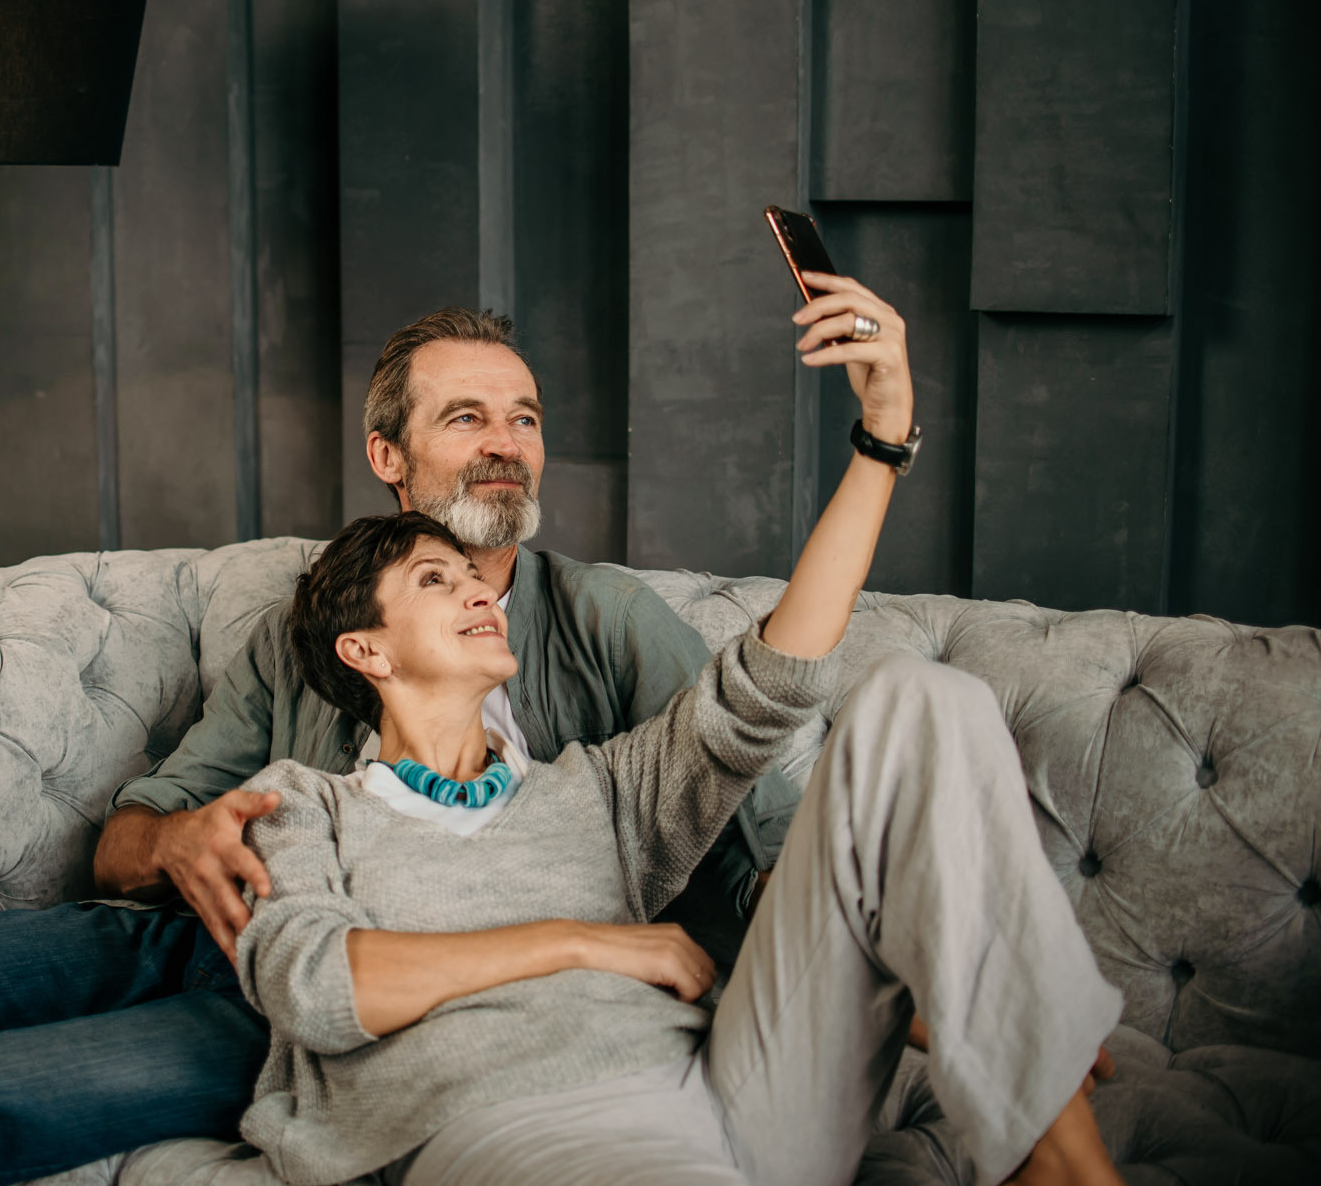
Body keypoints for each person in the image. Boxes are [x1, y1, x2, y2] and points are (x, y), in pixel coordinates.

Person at [0, 301, 794, 1185]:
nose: (506, 443)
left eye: (521, 417)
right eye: (465, 417)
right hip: (182, 931)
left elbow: (732, 852)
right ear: (388, 457)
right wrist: (179, 838)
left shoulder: (606, 624)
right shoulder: (313, 623)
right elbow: (124, 844)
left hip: (318, 1006)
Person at [225, 419, 1124, 1178]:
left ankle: (1061, 1162)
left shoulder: (597, 785)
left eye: (474, 578)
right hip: (522, 1124)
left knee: (921, 698)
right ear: (366, 651)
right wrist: (584, 942)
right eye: (435, 579)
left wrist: (880, 444)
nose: (477, 591)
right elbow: (315, 987)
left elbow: (763, 686)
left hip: (741, 1086)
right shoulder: (303, 804)